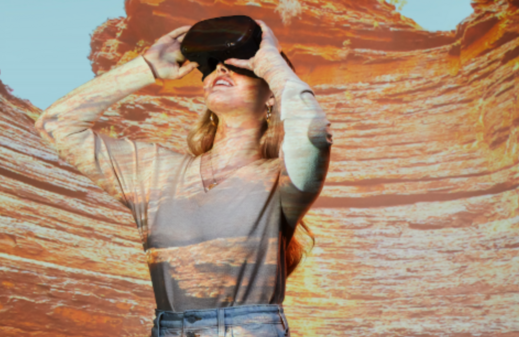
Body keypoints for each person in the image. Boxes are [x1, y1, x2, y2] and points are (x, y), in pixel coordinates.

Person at [35, 19, 331, 337]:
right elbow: (55, 125)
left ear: (270, 94)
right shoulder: (154, 172)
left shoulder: (282, 181)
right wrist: (147, 66)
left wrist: (270, 61)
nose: (222, 70)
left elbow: (314, 132)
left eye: (239, 65)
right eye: (211, 67)